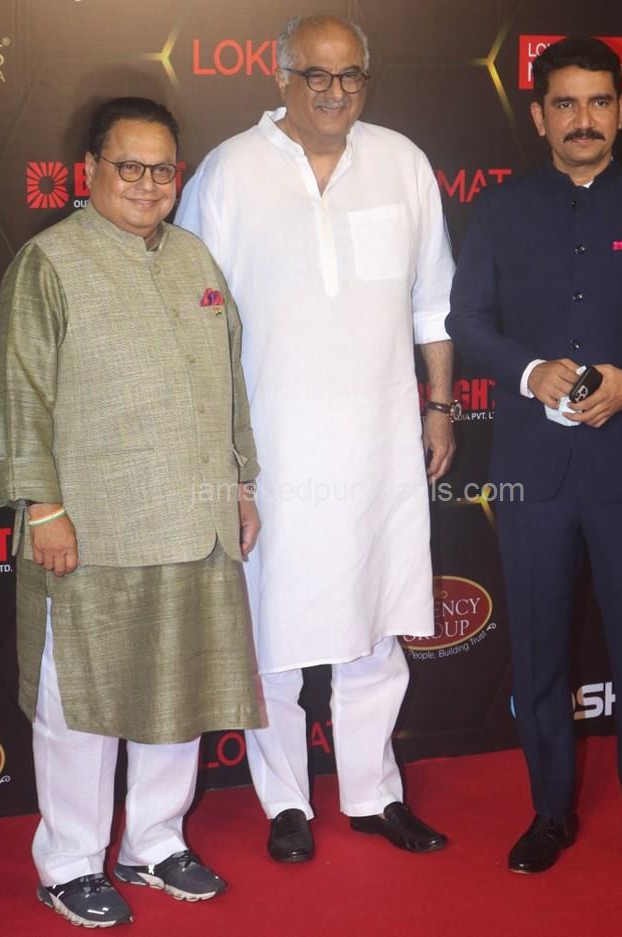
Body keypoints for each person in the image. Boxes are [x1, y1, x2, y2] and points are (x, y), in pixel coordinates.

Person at [176, 14, 455, 862]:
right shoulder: (229, 172)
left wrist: (440, 406)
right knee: (275, 631)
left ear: (366, 78)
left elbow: (432, 302)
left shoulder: (402, 162)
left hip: (379, 442)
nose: (335, 93)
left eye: (350, 76)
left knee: (376, 623)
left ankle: (374, 793)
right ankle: (286, 802)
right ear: (281, 77)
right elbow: (196, 320)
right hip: (272, 447)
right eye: (317, 76)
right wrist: (221, 453)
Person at [447, 38, 622, 876]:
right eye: (565, 104)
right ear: (538, 116)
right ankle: (550, 811)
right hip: (532, 469)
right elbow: (467, 321)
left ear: (621, 109)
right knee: (538, 649)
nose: (583, 119)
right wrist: (529, 370)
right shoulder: (499, 210)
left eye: (599, 102)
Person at [0, 97, 262, 927]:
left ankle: (154, 841)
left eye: (162, 169)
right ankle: (69, 862)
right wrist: (43, 508)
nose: (147, 184)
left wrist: (242, 483)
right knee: (81, 699)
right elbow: (21, 395)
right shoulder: (50, 262)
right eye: (128, 166)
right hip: (92, 526)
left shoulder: (194, 257)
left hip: (197, 518)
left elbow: (230, 383)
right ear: (90, 171)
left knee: (178, 686)